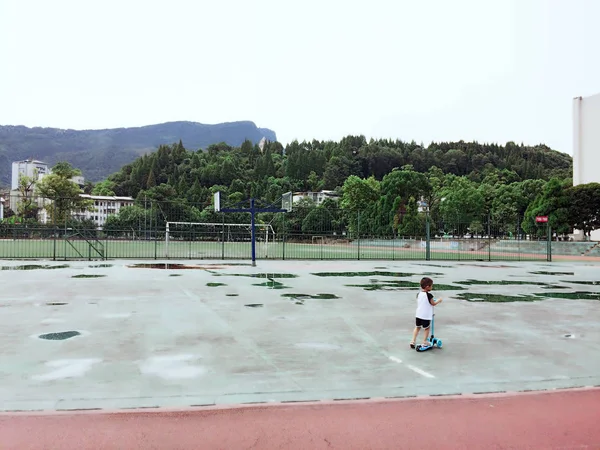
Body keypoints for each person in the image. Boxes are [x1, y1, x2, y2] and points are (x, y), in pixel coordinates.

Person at [410, 277, 442, 349]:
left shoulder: (419, 294)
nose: (432, 287)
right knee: (427, 328)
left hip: (418, 314)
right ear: (427, 287)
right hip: (425, 316)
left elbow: (423, 302)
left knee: (417, 327)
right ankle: (424, 342)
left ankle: (413, 341)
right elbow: (433, 303)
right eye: (431, 286)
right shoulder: (429, 295)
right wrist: (439, 300)